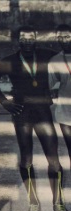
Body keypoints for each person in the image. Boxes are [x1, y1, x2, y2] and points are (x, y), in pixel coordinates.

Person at [0, 24, 70, 211]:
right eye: (23, 38)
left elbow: (65, 56)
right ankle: (33, 202)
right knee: (26, 159)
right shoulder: (9, 61)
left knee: (54, 160)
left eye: (31, 37)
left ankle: (59, 202)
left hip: (42, 111)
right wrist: (5, 102)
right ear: (18, 40)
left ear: (36, 38)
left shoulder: (47, 55)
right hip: (22, 113)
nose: (27, 41)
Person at [49, 24, 71, 170]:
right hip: (65, 113)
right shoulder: (55, 61)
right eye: (60, 37)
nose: (64, 40)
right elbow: (49, 85)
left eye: (67, 36)